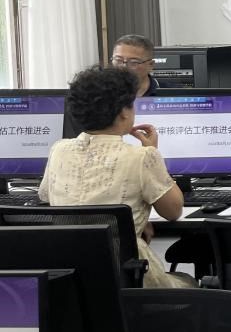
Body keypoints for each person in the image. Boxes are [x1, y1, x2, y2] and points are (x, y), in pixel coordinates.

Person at [38, 66, 191, 289]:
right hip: (128, 280)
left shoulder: (59, 150)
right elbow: (173, 211)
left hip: (75, 281)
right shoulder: (142, 156)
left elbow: (48, 198)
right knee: (189, 282)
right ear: (123, 112)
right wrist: (154, 154)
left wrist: (134, 221)